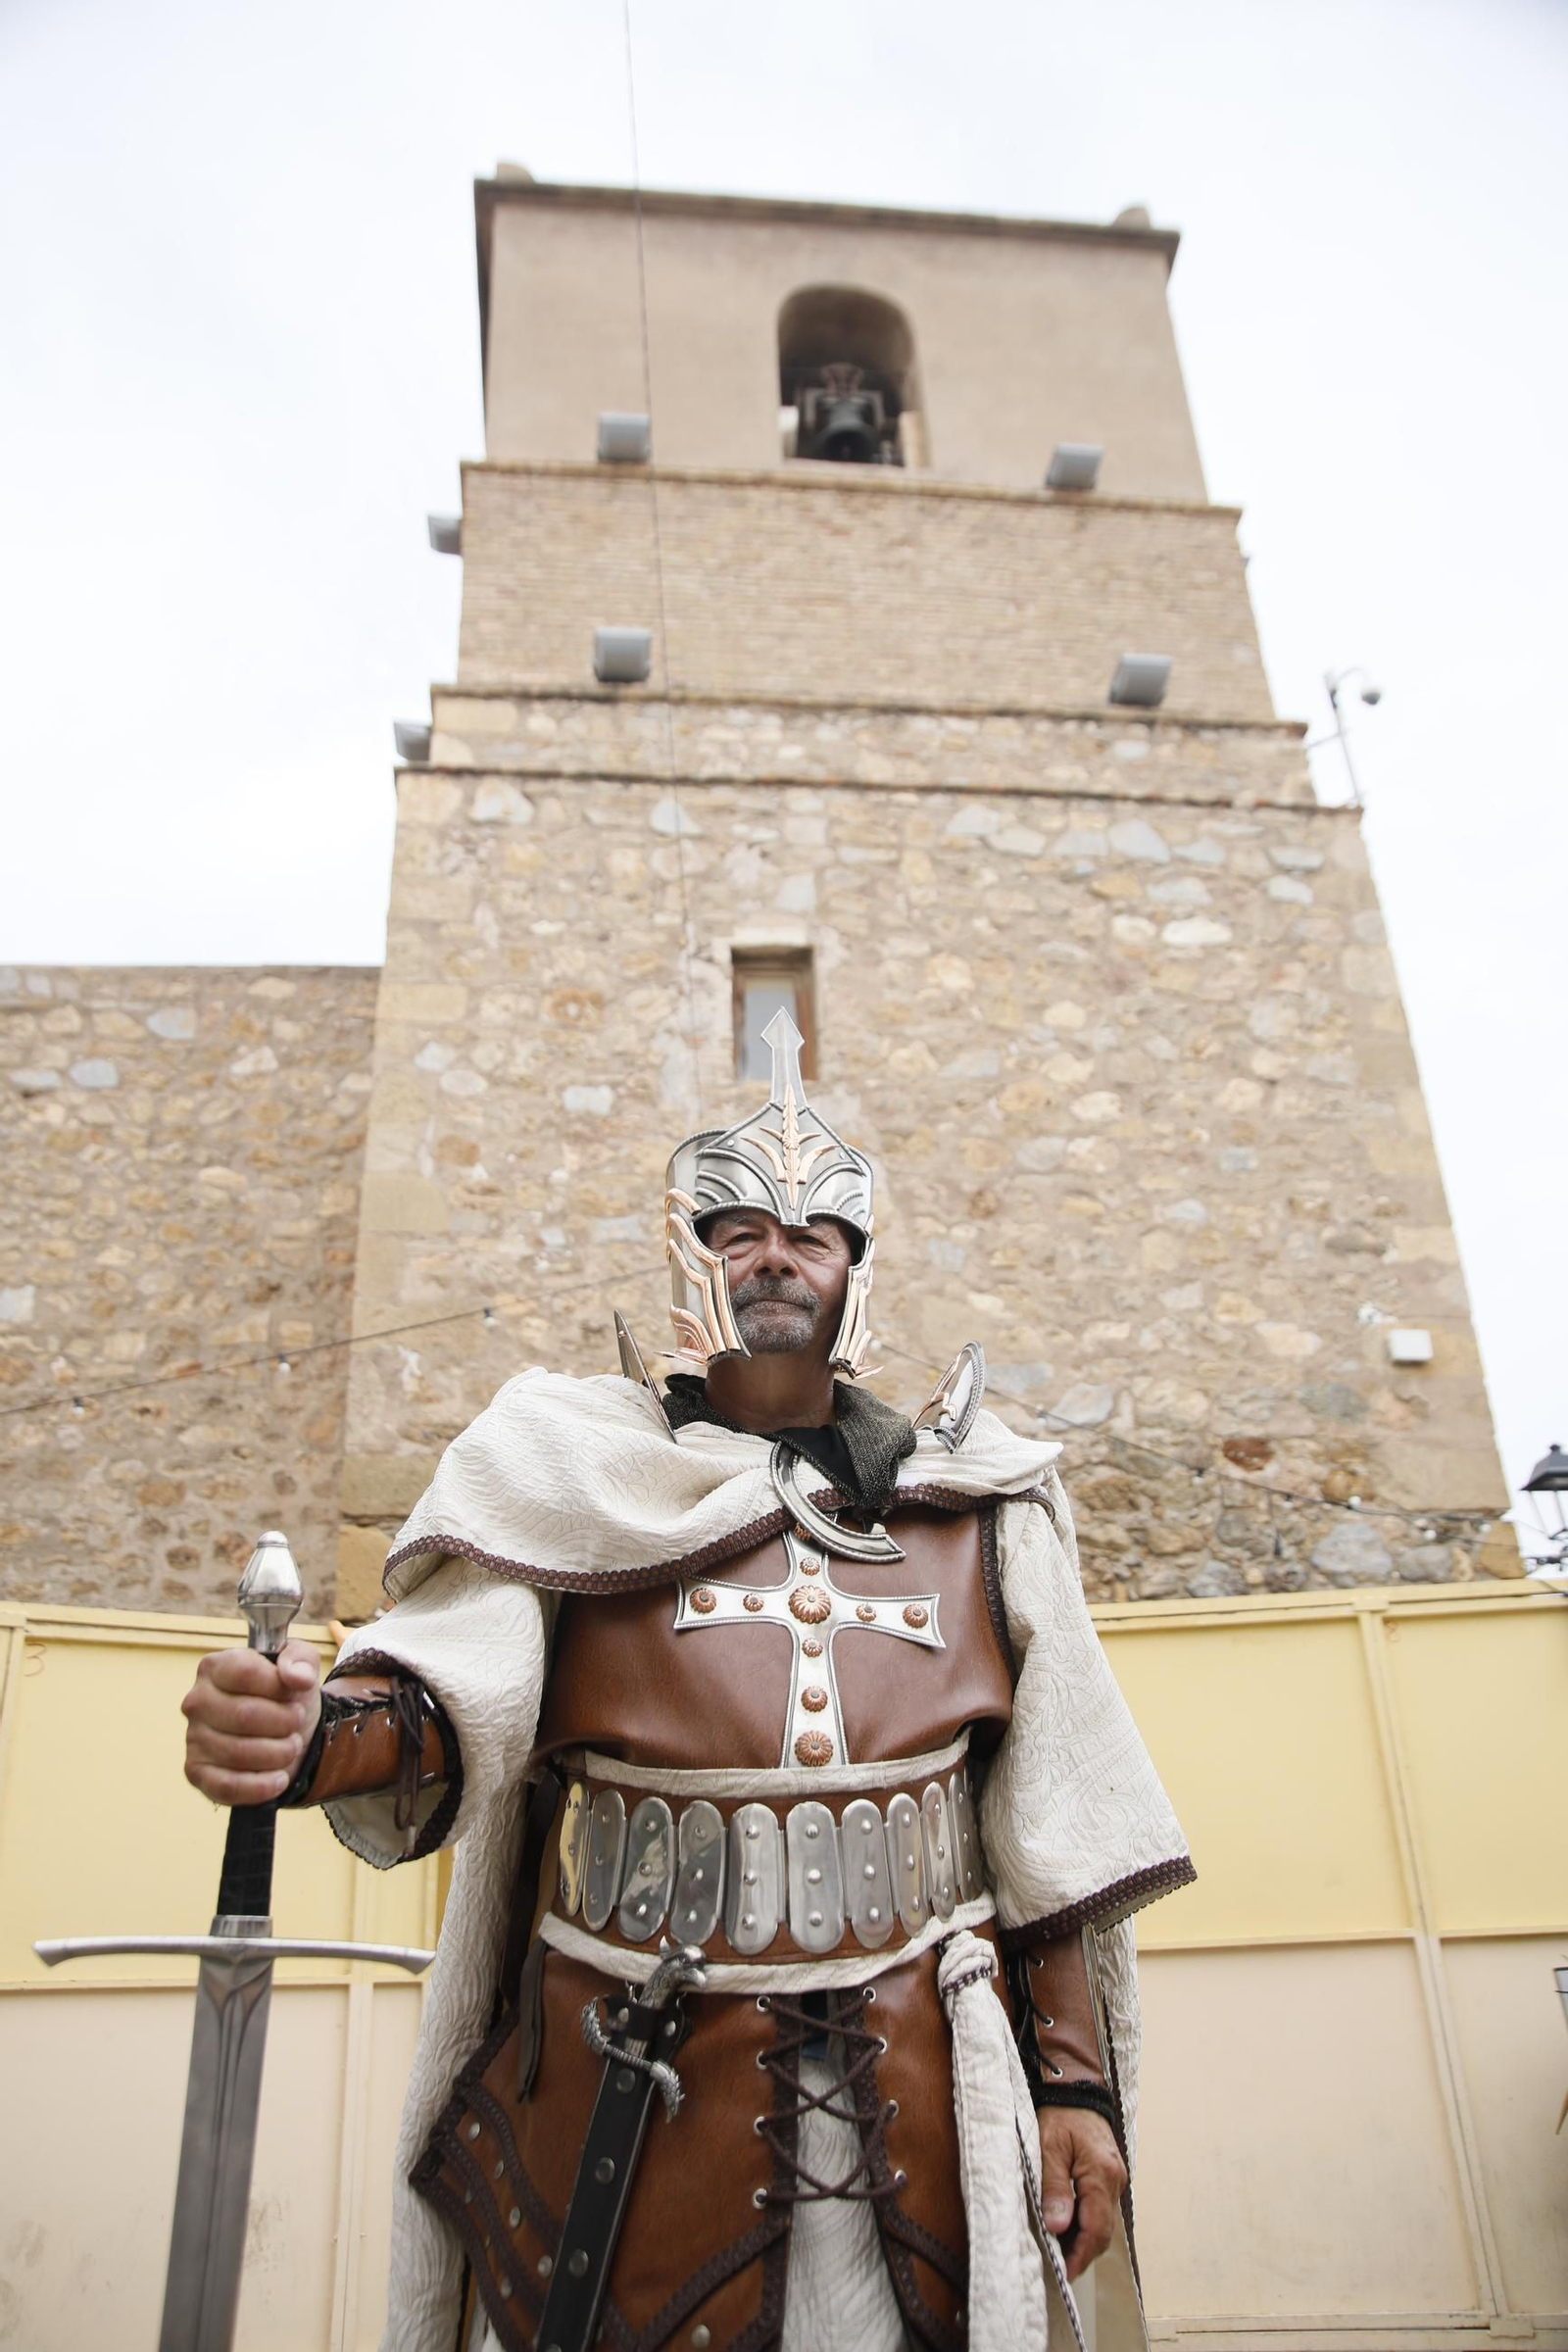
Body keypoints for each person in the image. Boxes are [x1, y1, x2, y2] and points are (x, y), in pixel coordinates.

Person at [182, 1012, 1194, 2352]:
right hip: (629, 2098)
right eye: (739, 1230)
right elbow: (440, 1702)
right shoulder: (572, 1473)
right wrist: (312, 1738)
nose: (776, 1252)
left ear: (856, 1272)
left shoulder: (976, 1503)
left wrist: (1078, 2094)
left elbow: (1047, 1832)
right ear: (691, 1259)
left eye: (811, 1233)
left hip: (919, 2098)